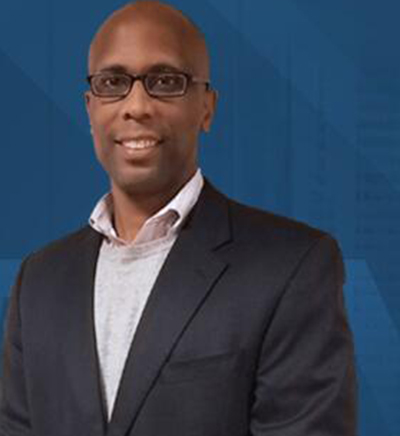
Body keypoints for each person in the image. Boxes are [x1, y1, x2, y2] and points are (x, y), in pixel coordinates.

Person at [0, 1, 357, 435]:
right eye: (113, 82)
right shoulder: (39, 281)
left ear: (206, 106)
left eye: (165, 81)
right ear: (90, 108)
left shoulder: (292, 266)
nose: (137, 106)